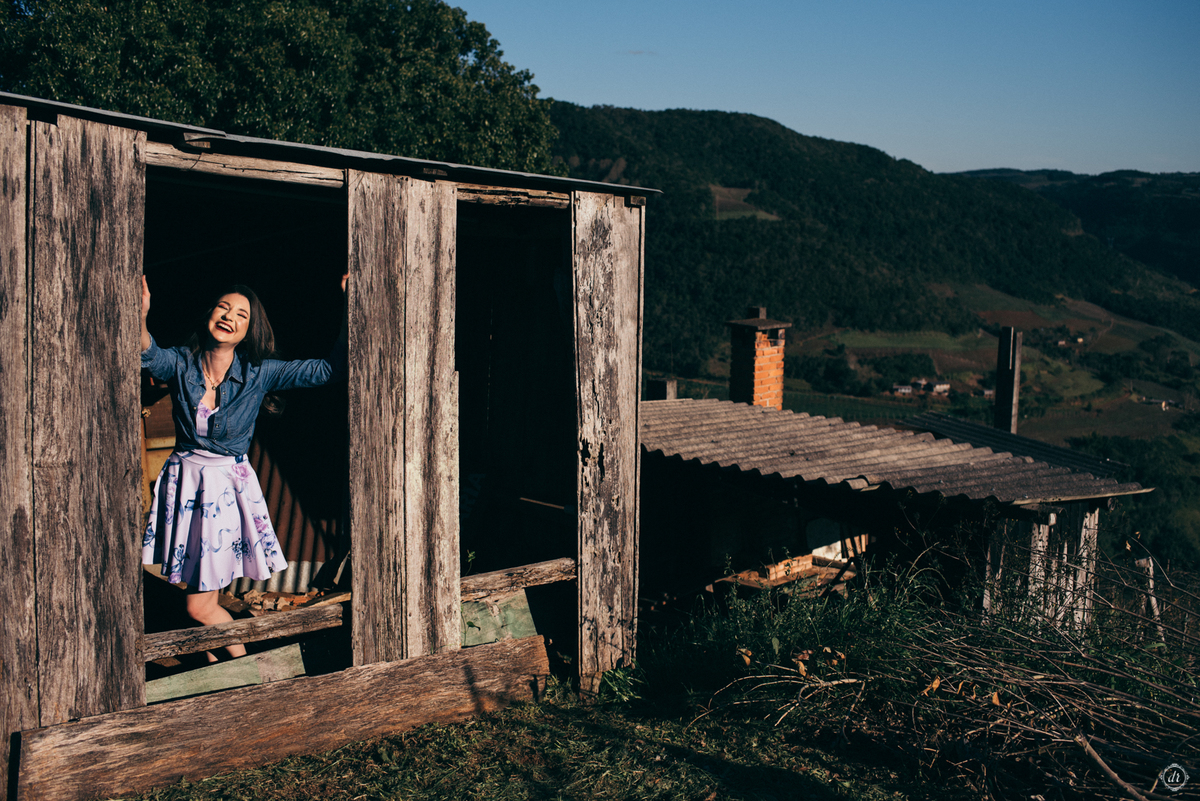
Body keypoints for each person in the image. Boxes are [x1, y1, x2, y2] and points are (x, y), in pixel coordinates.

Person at [140, 274, 347, 660]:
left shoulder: (259, 372)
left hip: (221, 490)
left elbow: (327, 370)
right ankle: (219, 668)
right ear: (209, 315)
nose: (229, 316)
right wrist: (140, 315)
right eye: (223, 307)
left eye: (241, 315)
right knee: (200, 597)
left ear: (248, 332)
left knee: (199, 606)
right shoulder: (182, 363)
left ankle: (242, 670)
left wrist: (351, 308)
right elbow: (147, 352)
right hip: (185, 485)